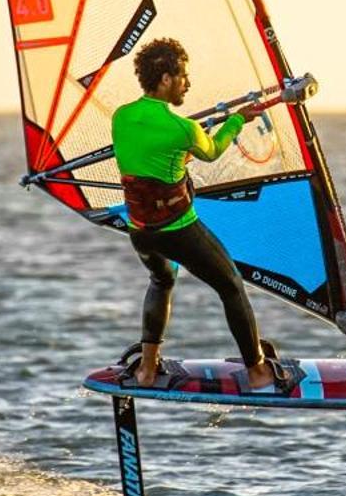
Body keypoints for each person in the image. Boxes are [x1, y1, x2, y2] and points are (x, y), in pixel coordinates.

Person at [111, 38, 280, 390]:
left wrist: (179, 153)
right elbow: (212, 151)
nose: (188, 83)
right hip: (176, 228)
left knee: (162, 280)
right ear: (166, 79)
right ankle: (258, 372)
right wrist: (236, 121)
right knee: (231, 286)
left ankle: (146, 370)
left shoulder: (122, 116)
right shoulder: (183, 130)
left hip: (139, 228)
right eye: (183, 77)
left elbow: (150, 157)